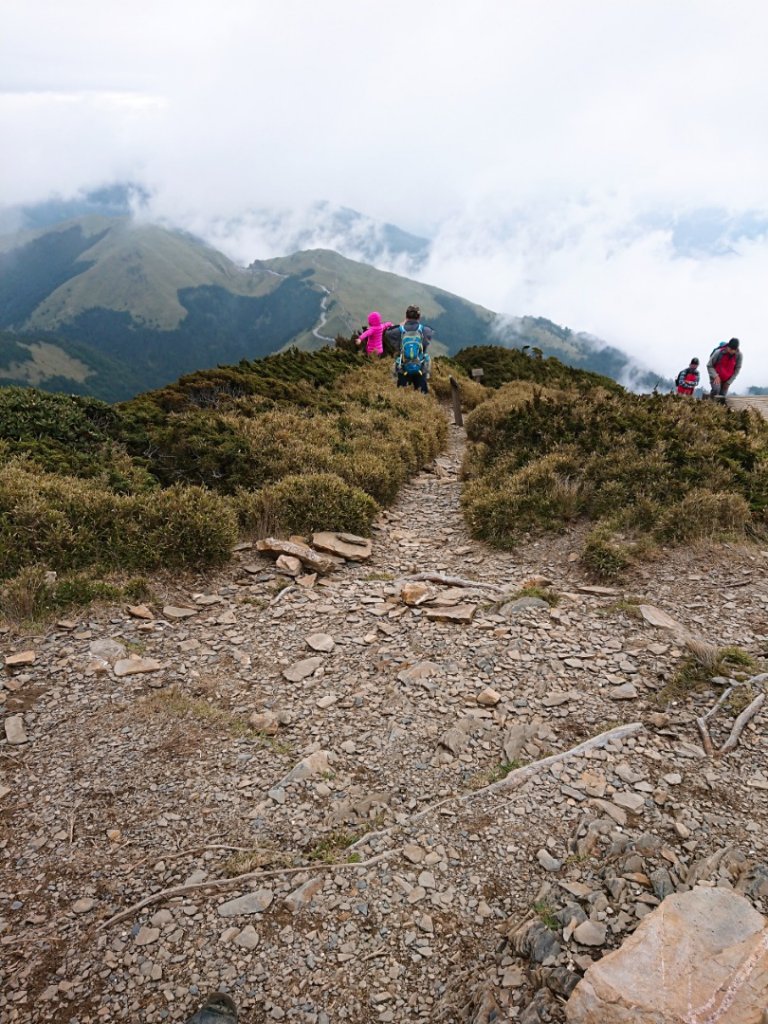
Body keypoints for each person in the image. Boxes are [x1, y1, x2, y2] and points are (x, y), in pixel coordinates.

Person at [386, 305, 433, 393]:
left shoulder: (399, 330)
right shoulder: (426, 330)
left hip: (403, 368)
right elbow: (429, 337)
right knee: (422, 397)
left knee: (402, 395)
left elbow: (387, 333)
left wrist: (401, 325)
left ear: (406, 316)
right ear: (419, 317)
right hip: (420, 368)